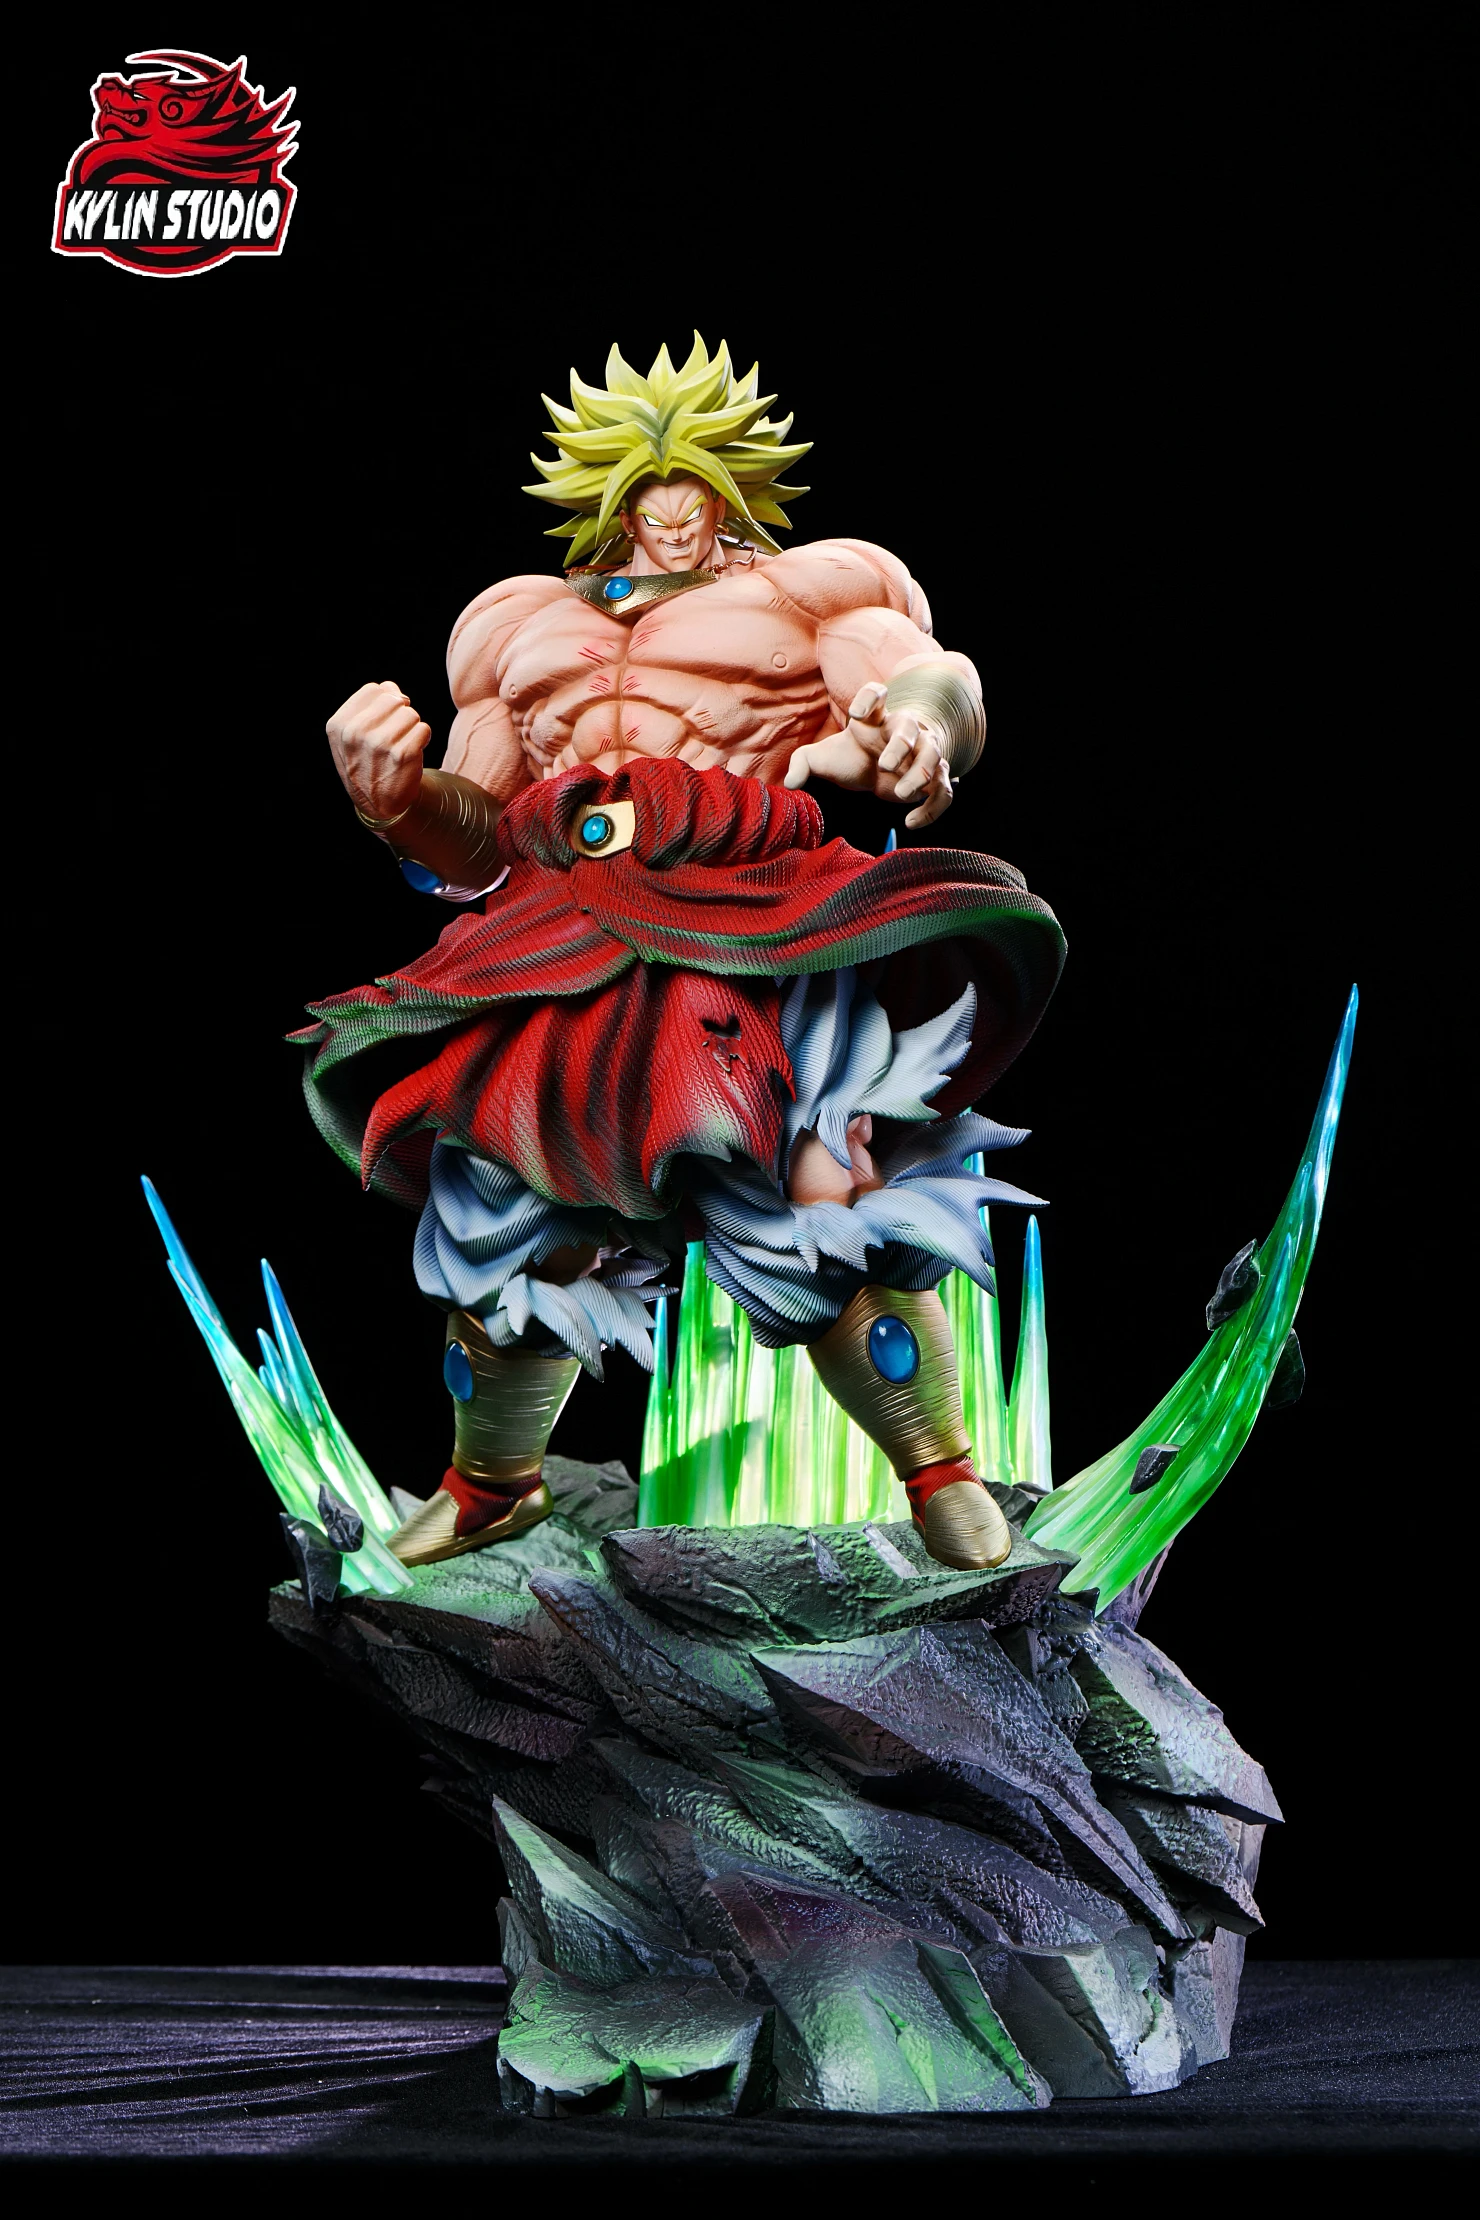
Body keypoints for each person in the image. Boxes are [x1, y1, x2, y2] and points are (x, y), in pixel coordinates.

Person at [296, 336, 1065, 1574]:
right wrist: (395, 802)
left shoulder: (805, 591)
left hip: (745, 922)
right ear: (601, 494)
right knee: (505, 1213)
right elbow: (479, 843)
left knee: (824, 1197)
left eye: (693, 486)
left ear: (733, 486)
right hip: (567, 936)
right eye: (645, 489)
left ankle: (940, 1474)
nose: (669, 513)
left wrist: (923, 727)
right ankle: (492, 1485)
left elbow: (927, 675)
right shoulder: (516, 627)